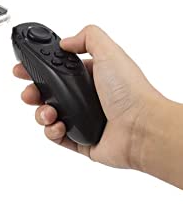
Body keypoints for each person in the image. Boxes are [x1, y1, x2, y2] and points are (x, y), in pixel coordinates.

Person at [13, 25, 183, 189]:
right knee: (40, 101)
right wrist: (138, 130)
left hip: (93, 126)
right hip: (97, 126)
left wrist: (137, 127)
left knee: (38, 101)